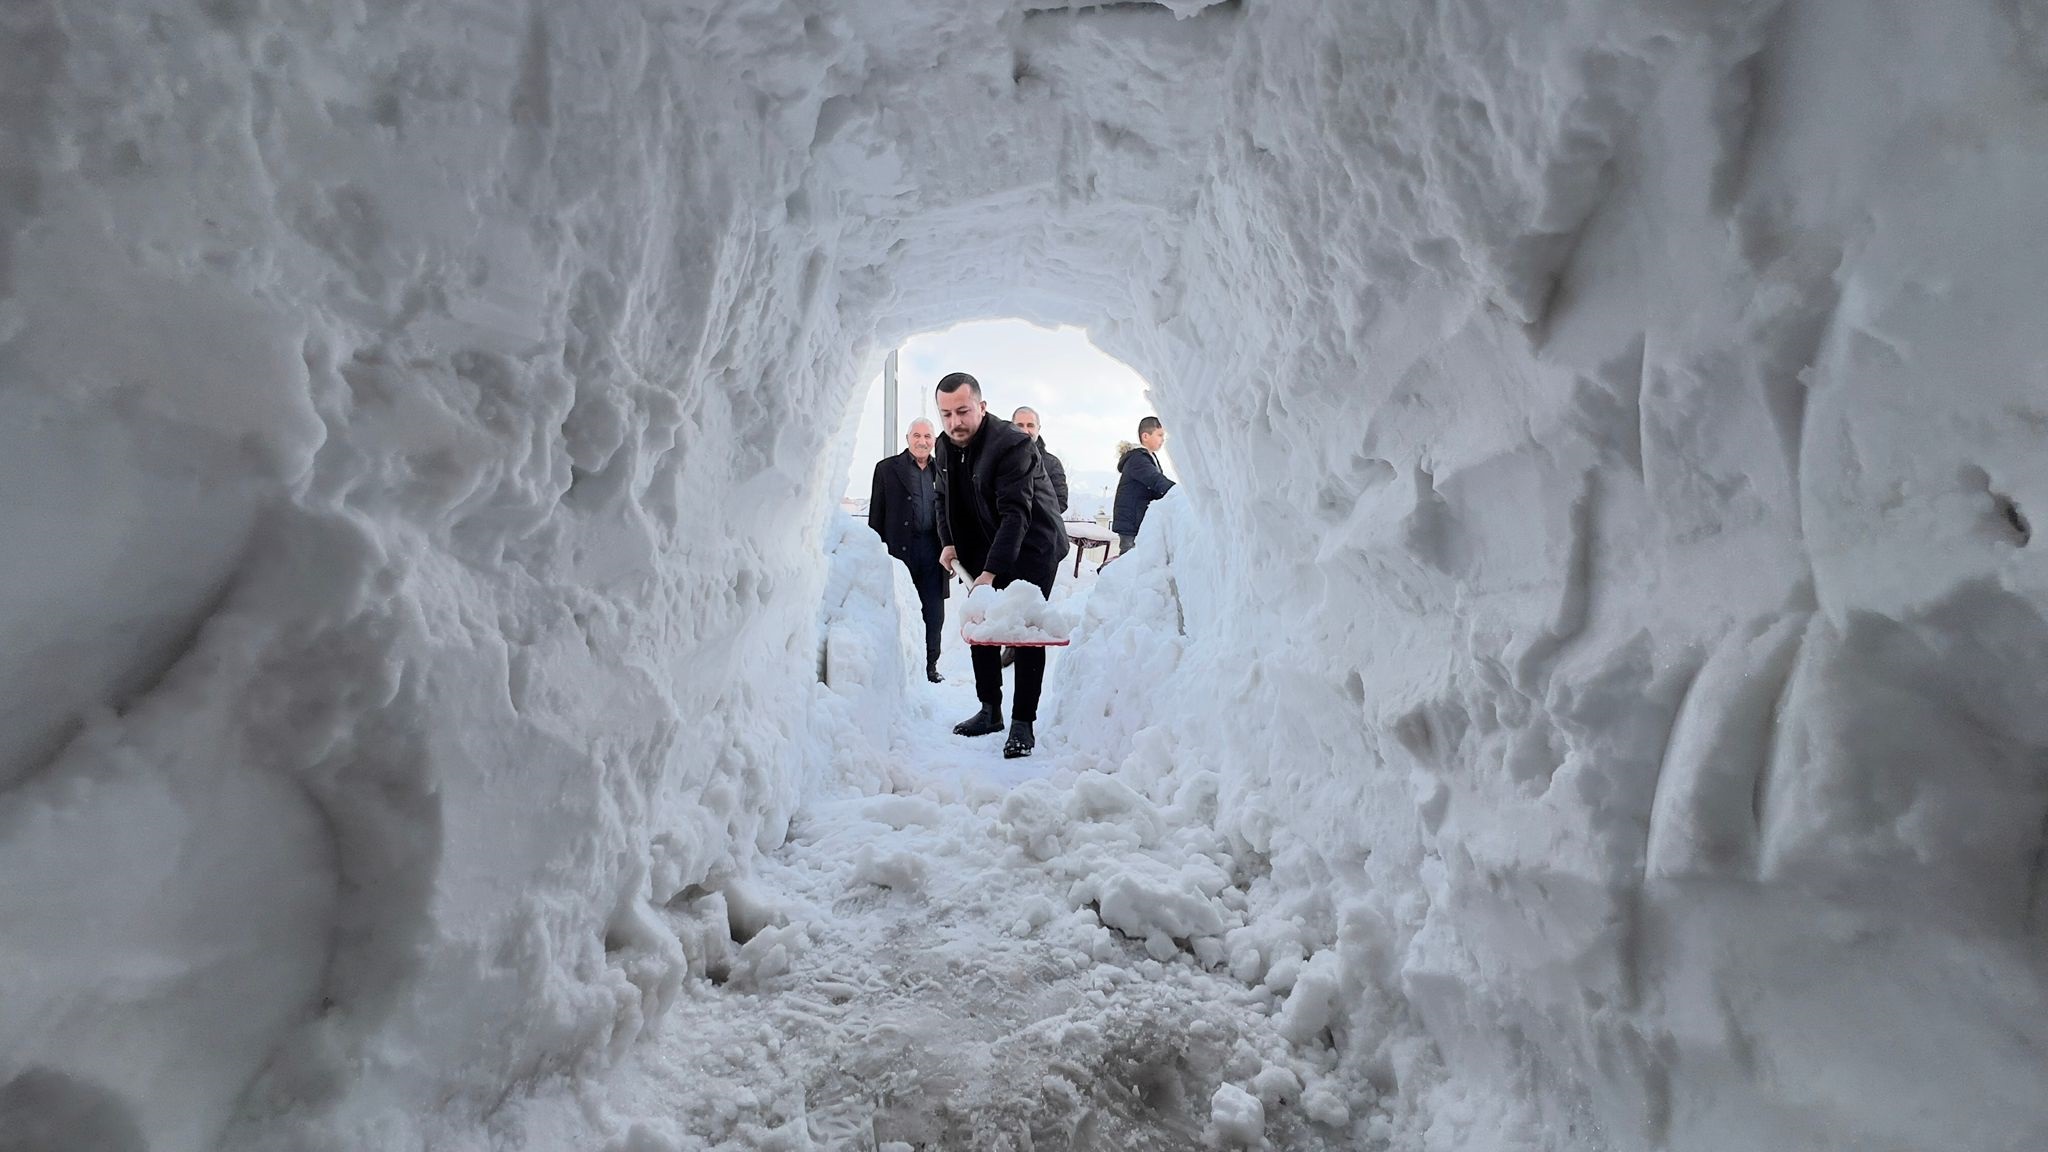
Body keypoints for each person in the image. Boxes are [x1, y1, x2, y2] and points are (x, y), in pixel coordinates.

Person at [933, 372, 1069, 758]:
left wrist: (990, 575)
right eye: (946, 414)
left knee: (1025, 631)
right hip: (983, 541)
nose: (955, 422)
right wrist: (948, 542)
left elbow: (1016, 515)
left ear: (982, 406)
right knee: (981, 620)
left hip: (1033, 546)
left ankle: (1022, 722)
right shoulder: (945, 446)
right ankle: (989, 710)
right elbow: (942, 498)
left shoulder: (1012, 445)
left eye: (963, 411)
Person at [867, 417, 948, 683]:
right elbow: (875, 518)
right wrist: (875, 554)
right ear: (907, 439)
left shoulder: (944, 472)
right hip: (898, 551)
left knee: (933, 612)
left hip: (933, 552)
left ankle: (930, 665)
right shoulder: (887, 469)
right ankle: (898, 664)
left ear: (934, 441)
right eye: (917, 435)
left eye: (927, 436)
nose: (922, 441)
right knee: (898, 608)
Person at [1112, 415, 1175, 553]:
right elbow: (1155, 480)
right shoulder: (1138, 459)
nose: (1163, 439)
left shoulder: (1148, 458)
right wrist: (1178, 492)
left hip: (1137, 520)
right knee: (1129, 563)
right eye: (1159, 435)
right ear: (1145, 436)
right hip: (1132, 523)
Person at [1010, 407, 1068, 515]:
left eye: (1030, 425)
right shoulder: (998, 461)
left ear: (1038, 429)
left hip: (1040, 530)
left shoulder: (1052, 464)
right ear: (1011, 427)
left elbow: (1060, 502)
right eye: (1020, 425)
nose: (1025, 430)